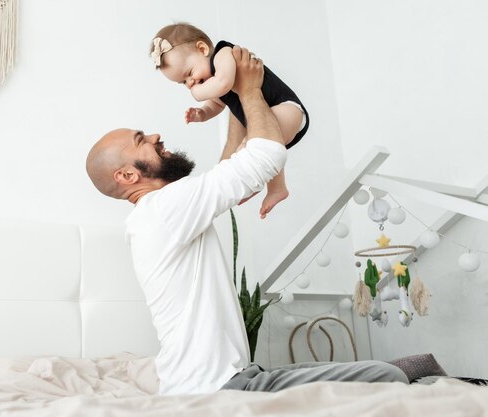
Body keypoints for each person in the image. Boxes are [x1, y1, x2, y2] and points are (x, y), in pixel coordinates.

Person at [86, 46, 407, 395]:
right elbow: (266, 155)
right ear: (128, 176)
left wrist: (236, 103)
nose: (155, 136)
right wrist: (250, 89)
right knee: (389, 376)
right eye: (140, 141)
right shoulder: (164, 208)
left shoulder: (157, 214)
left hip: (216, 380)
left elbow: (229, 172)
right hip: (217, 387)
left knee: (380, 373)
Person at [149, 23, 310, 219]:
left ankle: (252, 183)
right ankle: (277, 188)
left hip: (287, 109)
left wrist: (197, 94)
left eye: (189, 74)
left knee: (251, 146)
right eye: (183, 83)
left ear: (202, 49)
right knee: (261, 145)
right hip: (271, 118)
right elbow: (216, 104)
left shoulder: (223, 54)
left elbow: (223, 84)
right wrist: (202, 113)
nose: (190, 83)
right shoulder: (212, 81)